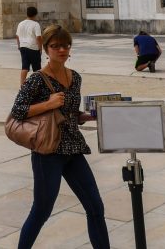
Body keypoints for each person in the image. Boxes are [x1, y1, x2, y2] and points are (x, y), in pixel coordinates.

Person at [11, 25, 108, 249]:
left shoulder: (75, 77)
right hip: (48, 152)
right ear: (46, 49)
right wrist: (48, 104)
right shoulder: (37, 79)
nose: (61, 50)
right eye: (55, 46)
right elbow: (18, 110)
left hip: (73, 149)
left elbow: (71, 113)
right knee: (42, 210)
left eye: (65, 45)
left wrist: (87, 116)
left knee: (95, 207)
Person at [15, 6, 43, 86]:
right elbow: (38, 37)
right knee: (37, 68)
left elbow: (17, 36)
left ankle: (22, 84)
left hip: (23, 47)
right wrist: (40, 48)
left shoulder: (21, 23)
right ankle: (38, 84)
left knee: (25, 67)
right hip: (33, 47)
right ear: (35, 14)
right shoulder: (35, 24)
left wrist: (19, 46)